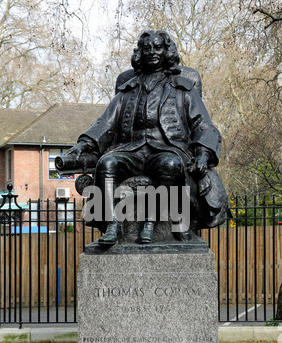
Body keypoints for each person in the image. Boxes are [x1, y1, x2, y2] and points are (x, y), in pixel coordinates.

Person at [65, 30, 227, 245]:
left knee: (170, 164)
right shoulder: (128, 88)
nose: (151, 52)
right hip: (131, 149)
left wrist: (203, 154)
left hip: (167, 149)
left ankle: (151, 223)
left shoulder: (183, 88)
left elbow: (203, 124)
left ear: (166, 51)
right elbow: (105, 123)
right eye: (146, 48)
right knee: (107, 163)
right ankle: (113, 225)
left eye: (157, 47)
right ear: (140, 53)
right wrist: (84, 143)